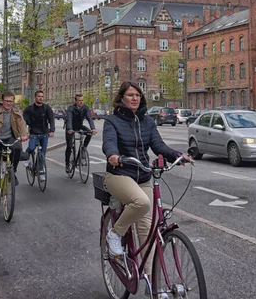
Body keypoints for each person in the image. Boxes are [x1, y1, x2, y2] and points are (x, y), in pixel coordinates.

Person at [102, 81, 193, 286]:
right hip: (119, 174)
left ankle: (152, 285)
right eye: (130, 95)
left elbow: (158, 145)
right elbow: (109, 142)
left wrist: (177, 156)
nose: (135, 98)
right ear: (122, 98)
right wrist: (113, 155)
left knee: (149, 232)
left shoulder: (147, 122)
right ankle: (115, 234)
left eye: (138, 95)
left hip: (143, 176)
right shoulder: (112, 121)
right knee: (141, 202)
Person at [0, 91, 29, 211]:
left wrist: (24, 135)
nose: (9, 103)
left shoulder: (15, 111)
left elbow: (22, 124)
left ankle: (12, 171)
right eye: (6, 101)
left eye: (11, 101)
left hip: (9, 138)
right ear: (2, 101)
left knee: (18, 148)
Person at [23, 90, 55, 180]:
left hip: (44, 133)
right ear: (35, 97)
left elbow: (51, 119)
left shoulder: (46, 108)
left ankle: (41, 171)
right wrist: (25, 131)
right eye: (39, 96)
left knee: (42, 154)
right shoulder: (29, 108)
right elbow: (23, 120)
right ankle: (26, 157)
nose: (40, 98)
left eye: (42, 96)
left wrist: (52, 130)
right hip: (33, 132)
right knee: (32, 147)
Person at [65, 93, 97, 173]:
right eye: (79, 101)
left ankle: (83, 148)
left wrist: (93, 128)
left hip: (80, 126)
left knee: (89, 133)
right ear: (75, 101)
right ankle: (67, 163)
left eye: (82, 100)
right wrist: (69, 128)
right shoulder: (71, 108)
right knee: (69, 146)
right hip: (71, 127)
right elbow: (69, 118)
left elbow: (89, 118)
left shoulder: (85, 107)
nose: (81, 102)